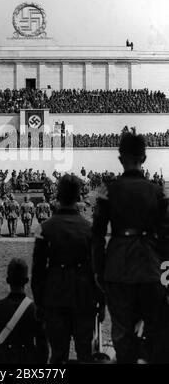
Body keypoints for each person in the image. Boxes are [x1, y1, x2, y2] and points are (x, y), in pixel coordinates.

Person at [92, 133, 169, 363]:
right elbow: (166, 238)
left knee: (123, 335)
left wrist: (99, 270)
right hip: (150, 267)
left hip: (118, 267)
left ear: (120, 159)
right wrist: (166, 275)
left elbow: (96, 235)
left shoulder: (109, 191)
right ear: (144, 158)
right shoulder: (157, 192)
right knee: (154, 333)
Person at [31, 174, 102, 364]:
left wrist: (39, 302)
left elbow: (37, 272)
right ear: (79, 196)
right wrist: (100, 303)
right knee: (85, 354)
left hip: (55, 297)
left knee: (58, 355)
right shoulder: (90, 229)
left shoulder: (45, 228)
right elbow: (98, 271)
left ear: (58, 196)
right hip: (84, 298)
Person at [0, 258, 48, 364]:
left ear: (7, 280)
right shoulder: (35, 309)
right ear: (27, 281)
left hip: (3, 359)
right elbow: (43, 348)